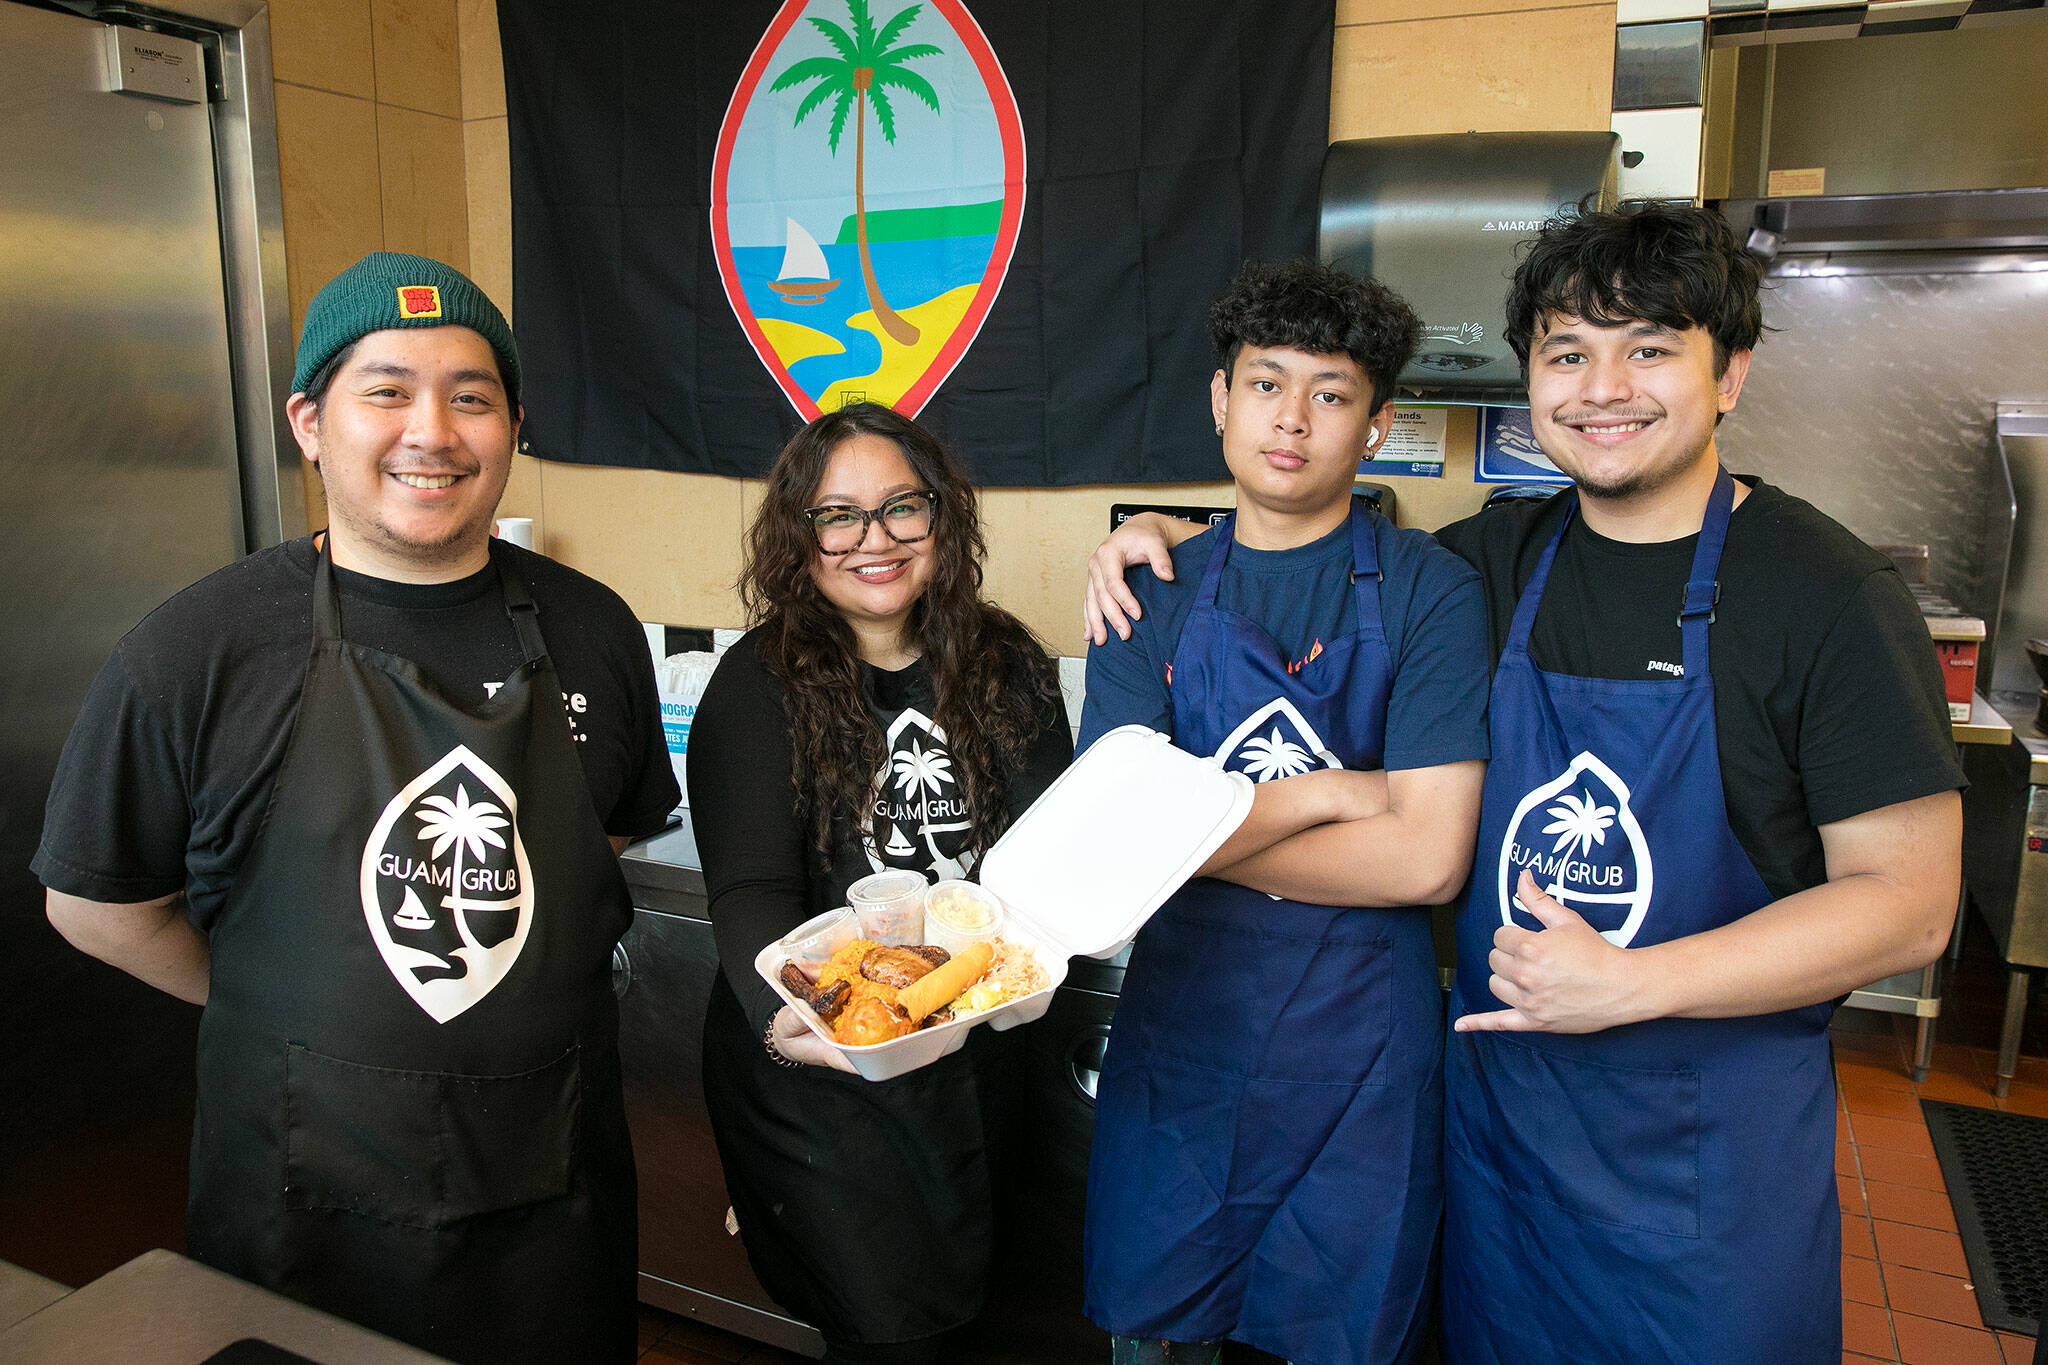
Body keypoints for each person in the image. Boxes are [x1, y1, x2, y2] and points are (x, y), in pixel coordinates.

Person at [1081, 203, 1965, 1363]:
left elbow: (1908, 902)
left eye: (1648, 348)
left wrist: (1635, 983)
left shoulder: (1823, 593)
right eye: (1566, 353)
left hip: (1698, 1157)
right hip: (1500, 1134)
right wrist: (1155, 535)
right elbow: (1291, 537)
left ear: (1729, 373)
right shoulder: (1490, 562)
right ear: (1530, 380)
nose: (1602, 386)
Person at [35, 252, 678, 1363]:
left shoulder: (594, 631)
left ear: (511, 428)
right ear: (308, 421)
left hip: (547, 1194)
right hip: (299, 1200)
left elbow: (599, 838)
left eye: (470, 396)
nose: (431, 430)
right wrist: (288, 1018)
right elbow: (96, 906)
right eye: (385, 390)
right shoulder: (197, 648)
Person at [1076, 260, 1491, 1365]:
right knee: (1154, 1340)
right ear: (1220, 400)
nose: (1291, 421)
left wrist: (1186, 838)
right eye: (1265, 385)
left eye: (1331, 392)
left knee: (1341, 1335)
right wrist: (1330, 794)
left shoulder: (1428, 590)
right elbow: (1109, 844)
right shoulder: (1146, 587)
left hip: (1361, 1062)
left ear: (1378, 420)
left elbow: (1426, 861)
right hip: (1184, 1051)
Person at [689, 402, 1071, 1365]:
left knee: (992, 1320)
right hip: (826, 1084)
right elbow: (749, 895)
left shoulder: (1007, 662)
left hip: (983, 1062)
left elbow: (1048, 853)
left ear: (944, 517)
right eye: (839, 515)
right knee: (887, 1334)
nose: (876, 540)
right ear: (799, 537)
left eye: (904, 507)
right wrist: (796, 1022)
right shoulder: (754, 684)